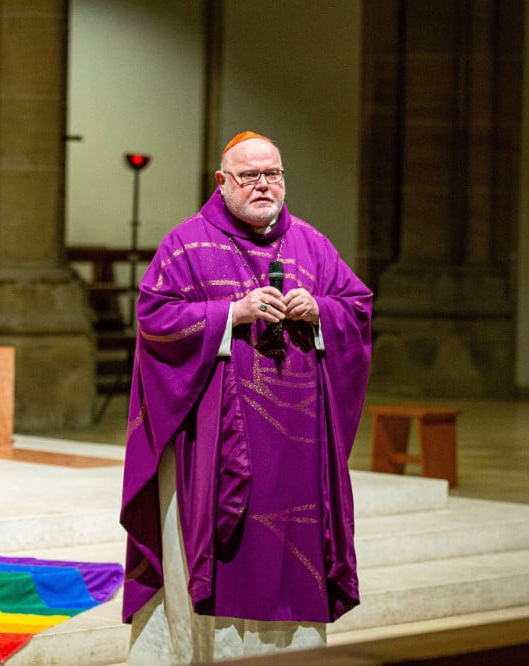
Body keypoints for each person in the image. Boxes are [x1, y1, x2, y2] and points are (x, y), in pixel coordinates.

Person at [119, 131, 373, 664]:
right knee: (219, 558)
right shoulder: (186, 244)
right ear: (222, 182)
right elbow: (154, 319)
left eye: (273, 174)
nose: (263, 185)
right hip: (212, 444)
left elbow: (357, 307)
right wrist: (230, 313)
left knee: (292, 561)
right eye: (249, 175)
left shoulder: (311, 243)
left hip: (297, 449)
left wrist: (319, 309)